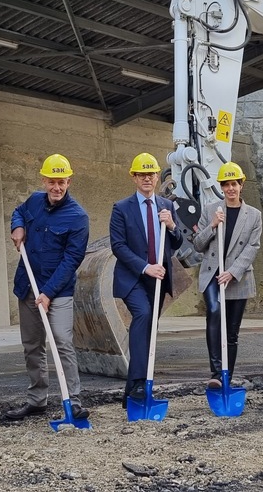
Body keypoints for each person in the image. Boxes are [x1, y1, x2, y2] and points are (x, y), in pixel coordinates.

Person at [5, 154, 90, 421]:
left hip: (59, 290)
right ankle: (37, 399)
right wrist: (17, 227)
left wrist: (48, 293)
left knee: (63, 343)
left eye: (62, 182)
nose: (56, 187)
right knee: (32, 345)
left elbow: (71, 260)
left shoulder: (78, 217)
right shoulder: (33, 202)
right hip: (28, 285)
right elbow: (18, 212)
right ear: (44, 180)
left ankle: (72, 400)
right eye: (52, 182)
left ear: (69, 181)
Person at [110, 152, 183, 407]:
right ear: (134, 177)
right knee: (142, 316)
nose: (147, 179)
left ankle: (132, 392)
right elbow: (118, 246)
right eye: (142, 174)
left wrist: (172, 226)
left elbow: (178, 243)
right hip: (133, 278)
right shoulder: (121, 208)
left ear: (155, 177)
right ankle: (140, 382)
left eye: (151, 174)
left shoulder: (167, 206)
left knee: (149, 330)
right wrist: (145, 268)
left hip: (159, 280)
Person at [190, 162, 262, 388]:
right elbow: (197, 245)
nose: (231, 188)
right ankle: (215, 372)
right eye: (226, 185)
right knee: (214, 311)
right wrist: (212, 226)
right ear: (221, 187)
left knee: (231, 330)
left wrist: (232, 272)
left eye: (234, 184)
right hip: (212, 273)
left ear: (241, 185)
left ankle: (226, 376)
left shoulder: (254, 215)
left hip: (237, 277)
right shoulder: (211, 210)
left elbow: (252, 247)